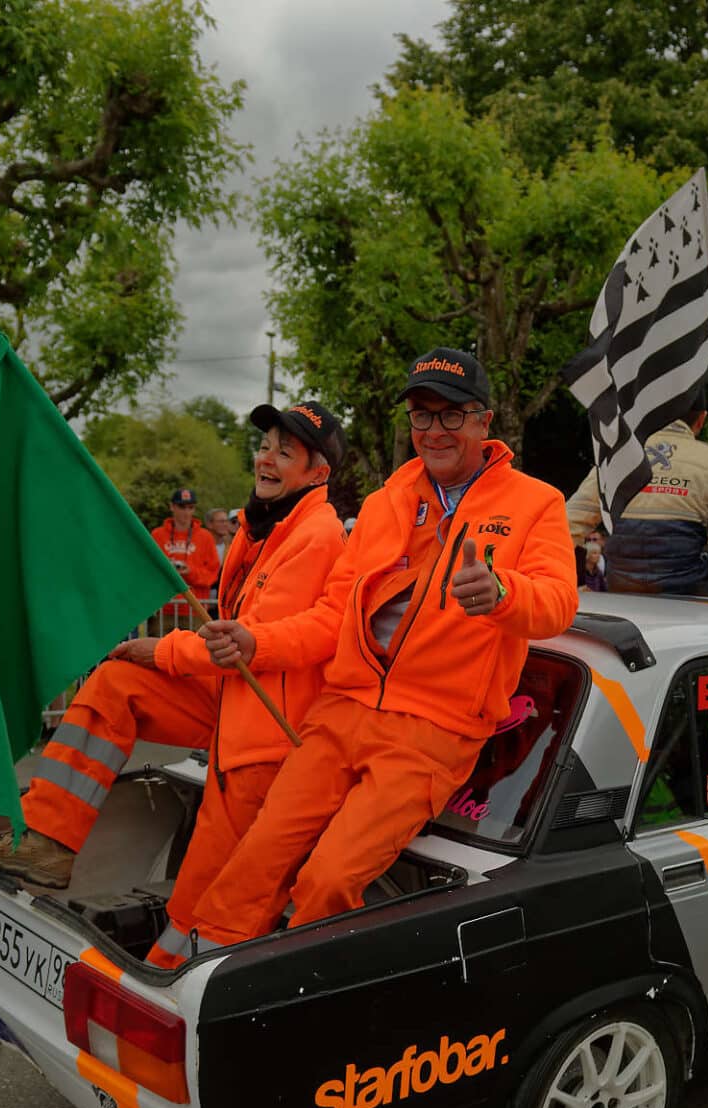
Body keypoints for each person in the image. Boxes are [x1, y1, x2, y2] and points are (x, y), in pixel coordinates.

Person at [174, 347, 579, 951]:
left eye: (451, 415)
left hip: (433, 731)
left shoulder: (535, 502)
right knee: (253, 860)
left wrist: (501, 593)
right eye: (421, 416)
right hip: (343, 710)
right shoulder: (385, 501)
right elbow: (333, 616)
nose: (434, 431)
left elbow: (557, 604)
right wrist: (257, 641)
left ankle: (292, 1011)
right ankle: (205, 995)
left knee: (327, 880)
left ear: (483, 421)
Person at [0, 402, 349, 904]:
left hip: (265, 731)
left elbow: (246, 641)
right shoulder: (266, 525)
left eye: (284, 453)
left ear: (318, 473)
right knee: (115, 683)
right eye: (265, 447)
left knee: (204, 901)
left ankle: (172, 962)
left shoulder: (315, 534)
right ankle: (47, 839)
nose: (266, 459)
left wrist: (162, 650)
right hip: (233, 704)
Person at [564, 386, 708, 598]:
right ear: (701, 419)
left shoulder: (614, 459)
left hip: (621, 585)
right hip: (690, 590)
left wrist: (572, 581)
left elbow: (565, 526)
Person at [150, 487, 221, 617]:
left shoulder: (205, 537)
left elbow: (212, 574)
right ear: (172, 507)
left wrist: (190, 571)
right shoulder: (158, 535)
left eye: (190, 507)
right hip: (165, 608)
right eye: (182, 507)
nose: (186, 512)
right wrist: (169, 570)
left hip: (195, 608)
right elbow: (149, 571)